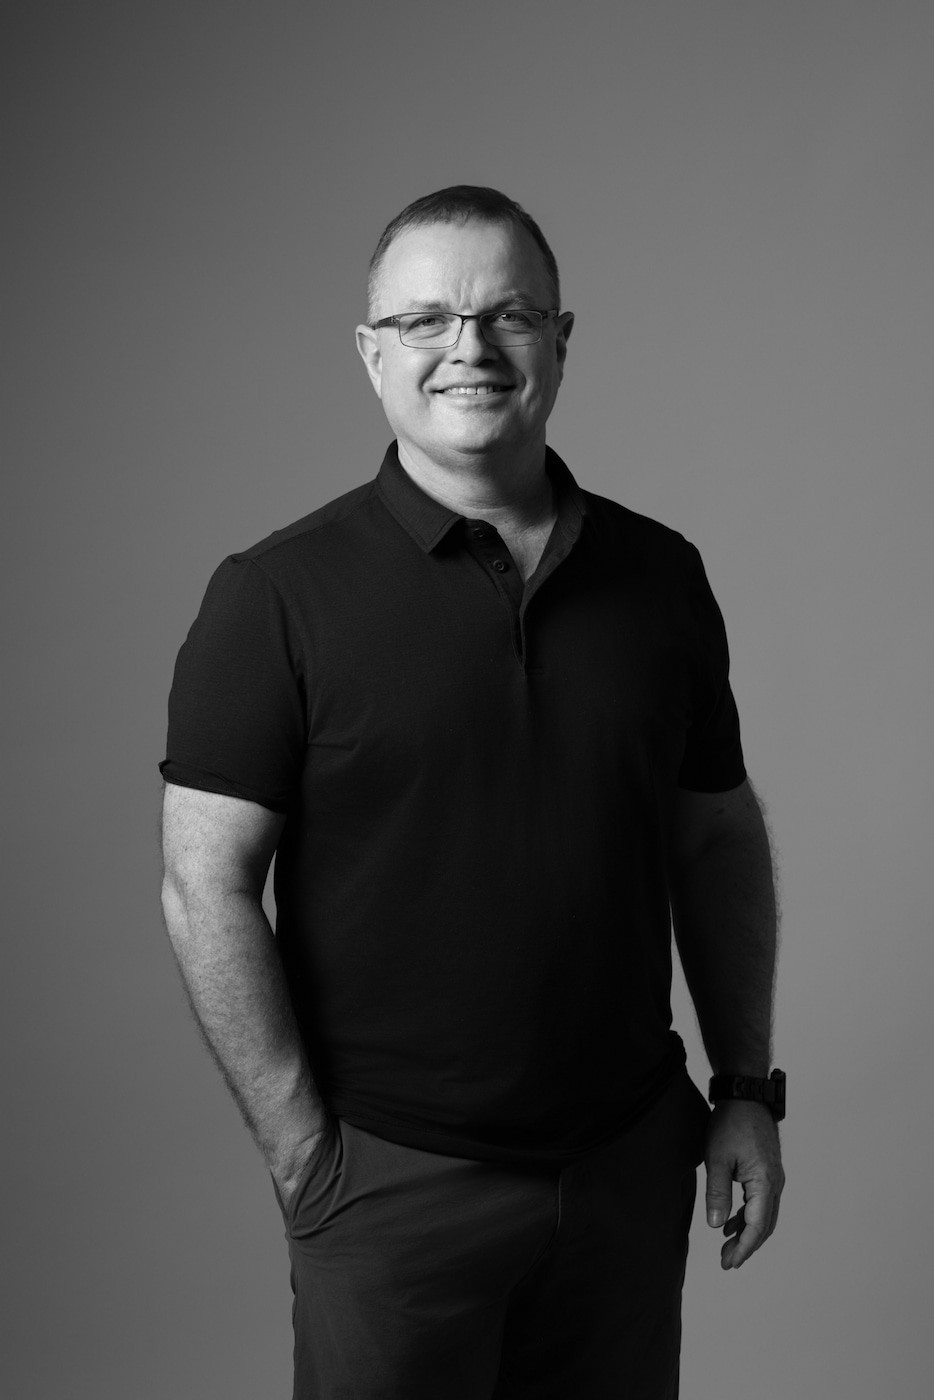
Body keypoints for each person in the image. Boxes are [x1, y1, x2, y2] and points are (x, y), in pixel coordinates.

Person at [160, 185, 784, 1399]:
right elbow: (205, 884)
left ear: (560, 338)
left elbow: (713, 836)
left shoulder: (661, 576)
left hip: (625, 1163)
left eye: (507, 314)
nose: (469, 348)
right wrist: (303, 1152)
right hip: (391, 1181)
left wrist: (747, 1089)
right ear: (369, 351)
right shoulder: (274, 595)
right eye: (426, 319)